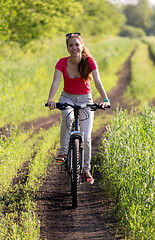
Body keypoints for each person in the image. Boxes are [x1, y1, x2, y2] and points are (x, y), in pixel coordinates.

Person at [47, 33, 110, 184]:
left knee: (87, 137)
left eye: (77, 44)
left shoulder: (89, 61)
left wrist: (106, 99)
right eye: (71, 45)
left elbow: (97, 82)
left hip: (85, 99)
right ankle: (63, 153)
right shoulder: (62, 62)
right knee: (68, 118)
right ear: (67, 48)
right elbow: (56, 82)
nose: (74, 47)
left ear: (82, 46)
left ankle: (86, 170)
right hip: (67, 97)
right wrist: (51, 98)